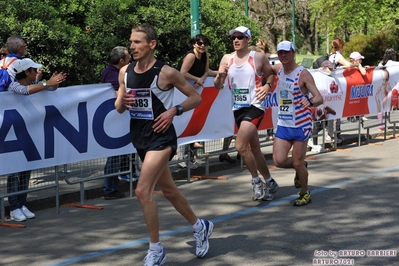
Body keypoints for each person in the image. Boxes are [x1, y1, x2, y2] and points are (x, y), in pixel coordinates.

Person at [114, 25, 213, 265]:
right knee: (169, 191)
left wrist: (173, 111)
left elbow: (196, 97)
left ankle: (156, 250)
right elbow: (118, 106)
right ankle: (200, 226)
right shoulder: (125, 71)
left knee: (142, 190)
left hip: (162, 137)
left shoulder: (166, 72)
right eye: (131, 42)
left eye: (138, 42)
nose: (132, 46)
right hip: (140, 137)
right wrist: (123, 101)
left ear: (152, 44)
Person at [214, 26, 279, 201]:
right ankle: (270, 181)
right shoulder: (227, 58)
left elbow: (271, 74)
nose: (236, 40)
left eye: (240, 37)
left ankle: (256, 181)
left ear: (248, 40)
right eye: (234, 37)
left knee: (241, 146)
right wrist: (220, 76)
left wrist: (267, 86)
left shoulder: (257, 57)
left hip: (255, 106)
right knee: (255, 150)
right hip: (238, 108)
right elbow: (217, 85)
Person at [6, 58, 67, 221]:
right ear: (26, 72)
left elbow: (49, 90)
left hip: (29, 133)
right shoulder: (12, 85)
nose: (37, 72)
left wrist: (54, 83)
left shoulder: (35, 84)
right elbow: (23, 91)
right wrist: (47, 84)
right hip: (11, 135)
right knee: (14, 171)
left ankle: (22, 202)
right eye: (34, 70)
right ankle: (13, 207)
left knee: (26, 169)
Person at [271, 41, 323, 206]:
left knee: (296, 162)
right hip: (284, 124)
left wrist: (309, 101)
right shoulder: (279, 70)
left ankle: (305, 192)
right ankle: (301, 167)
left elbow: (319, 98)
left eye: (287, 52)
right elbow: (262, 66)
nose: (284, 56)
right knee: (278, 161)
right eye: (280, 53)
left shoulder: (303, 74)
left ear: (293, 53)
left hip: (301, 124)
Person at [101, 46, 139, 200]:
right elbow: (120, 96)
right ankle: (109, 188)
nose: (131, 59)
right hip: (115, 118)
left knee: (121, 151)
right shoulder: (111, 74)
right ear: (122, 60)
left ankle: (121, 176)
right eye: (128, 57)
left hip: (120, 118)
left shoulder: (112, 72)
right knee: (114, 154)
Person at [177, 34, 210, 168]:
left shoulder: (205, 54)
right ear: (193, 44)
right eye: (199, 43)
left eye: (204, 43)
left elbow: (207, 71)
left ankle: (190, 157)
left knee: (193, 123)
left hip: (193, 93)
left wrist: (201, 78)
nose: (202, 45)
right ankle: (182, 158)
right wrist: (197, 79)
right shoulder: (190, 56)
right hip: (182, 92)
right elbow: (182, 72)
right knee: (184, 123)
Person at [256, 39, 275, 140]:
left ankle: (270, 133)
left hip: (269, 88)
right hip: (258, 89)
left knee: (269, 109)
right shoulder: (254, 58)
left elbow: (273, 70)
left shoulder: (271, 57)